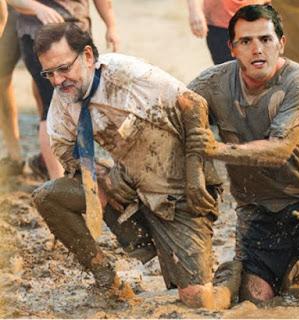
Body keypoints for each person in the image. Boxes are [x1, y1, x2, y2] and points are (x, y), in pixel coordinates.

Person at [32, 22, 243, 309]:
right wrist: (104, 176)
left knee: (198, 300)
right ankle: (108, 281)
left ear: (89, 57)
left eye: (64, 68)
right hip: (130, 191)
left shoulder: (126, 74)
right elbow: (69, 155)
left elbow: (193, 105)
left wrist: (195, 177)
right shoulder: (63, 104)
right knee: (48, 195)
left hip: (179, 192)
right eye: (49, 73)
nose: (57, 81)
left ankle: (232, 274)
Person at [187, 4, 299, 304]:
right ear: (232, 48)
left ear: (281, 43)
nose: (257, 49)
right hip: (258, 210)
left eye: (265, 39)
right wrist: (195, 175)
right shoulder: (211, 84)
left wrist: (217, 150)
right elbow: (179, 115)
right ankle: (252, 266)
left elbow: (279, 149)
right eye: (246, 41)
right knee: (255, 300)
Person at [7, 0, 119, 180]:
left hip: (76, 30)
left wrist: (111, 25)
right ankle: (58, 180)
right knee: (50, 107)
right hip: (37, 32)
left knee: (82, 102)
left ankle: (76, 168)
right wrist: (38, 8)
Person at [186, 0, 299, 65]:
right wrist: (195, 11)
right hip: (222, 24)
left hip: (260, 18)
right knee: (232, 77)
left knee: (266, 72)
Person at [0, 1, 24, 178]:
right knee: (1, 80)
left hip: (48, 6)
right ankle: (14, 156)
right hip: (9, 7)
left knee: (46, 80)